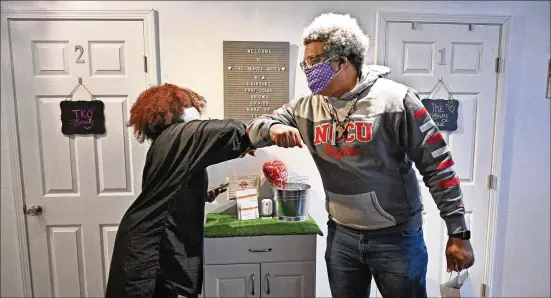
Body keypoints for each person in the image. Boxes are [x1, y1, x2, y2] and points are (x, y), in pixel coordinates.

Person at [247, 13, 474, 298]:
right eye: (305, 61)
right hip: (342, 236)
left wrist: (458, 233)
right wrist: (276, 126)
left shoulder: (396, 100)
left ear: (343, 61)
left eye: (315, 60)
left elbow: (438, 166)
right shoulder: (306, 107)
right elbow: (254, 129)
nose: (308, 69)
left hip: (397, 238)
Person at [105, 83, 255, 298]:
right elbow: (228, 130)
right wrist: (253, 136)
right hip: (149, 248)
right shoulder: (179, 134)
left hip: (144, 237)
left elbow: (172, 188)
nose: (194, 109)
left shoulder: (165, 142)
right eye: (186, 104)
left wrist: (207, 193)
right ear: (170, 110)